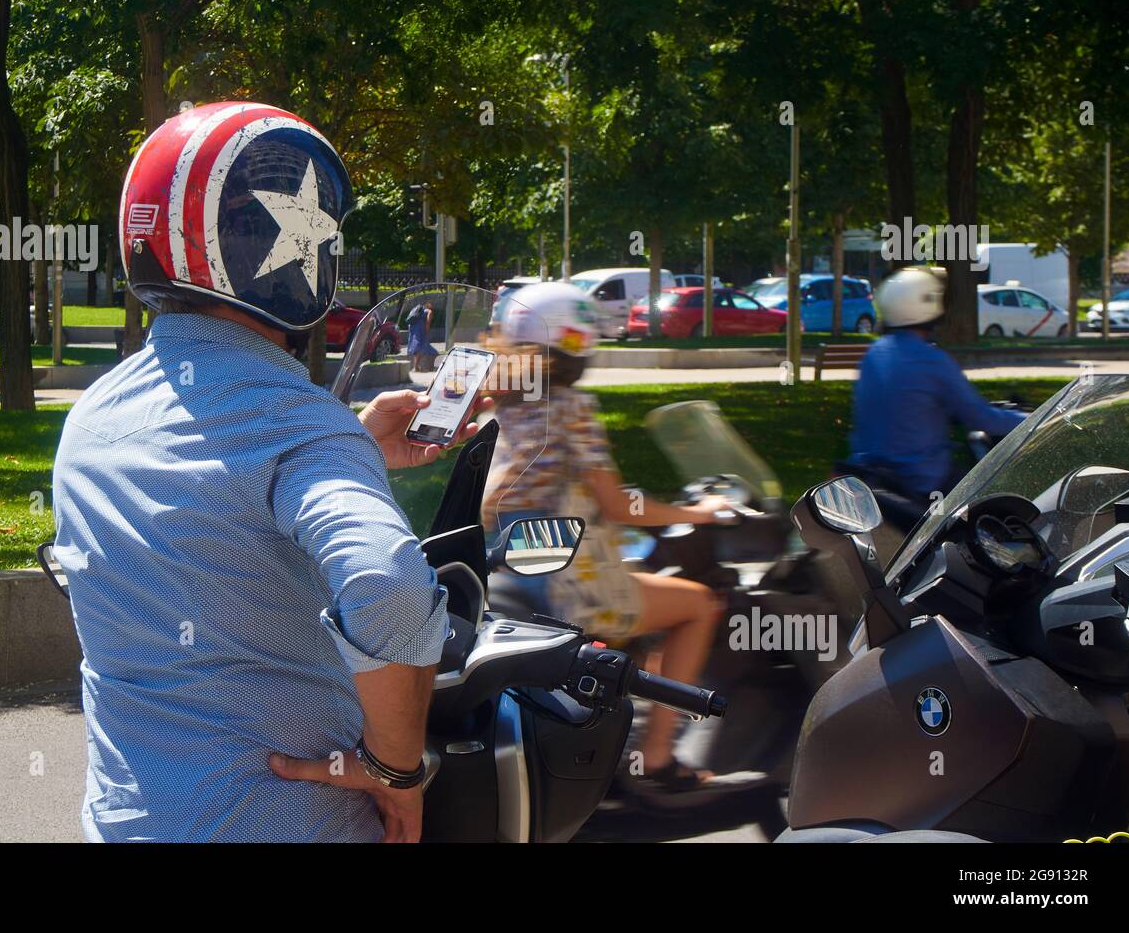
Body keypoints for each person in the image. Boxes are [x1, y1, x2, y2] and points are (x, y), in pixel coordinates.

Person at [52, 102, 478, 843]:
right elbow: (388, 585)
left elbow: (210, 505)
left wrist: (352, 449)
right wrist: (395, 770)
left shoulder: (93, 419)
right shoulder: (300, 423)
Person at [481, 281, 733, 793]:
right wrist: (700, 513)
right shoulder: (571, 405)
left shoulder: (504, 399)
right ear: (581, 339)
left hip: (520, 569)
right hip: (568, 584)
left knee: (642, 580)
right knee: (700, 605)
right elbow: (620, 506)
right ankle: (658, 756)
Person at [848, 267, 1025, 502]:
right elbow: (981, 418)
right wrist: (1033, 420)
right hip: (921, 479)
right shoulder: (931, 360)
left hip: (871, 474)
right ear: (929, 304)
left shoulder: (873, 354)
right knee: (993, 503)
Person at [406, 299, 437, 371]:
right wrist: (427, 329)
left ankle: (416, 366)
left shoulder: (420, 311)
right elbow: (428, 320)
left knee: (416, 346)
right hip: (419, 328)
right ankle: (418, 366)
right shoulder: (429, 311)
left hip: (412, 327)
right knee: (420, 346)